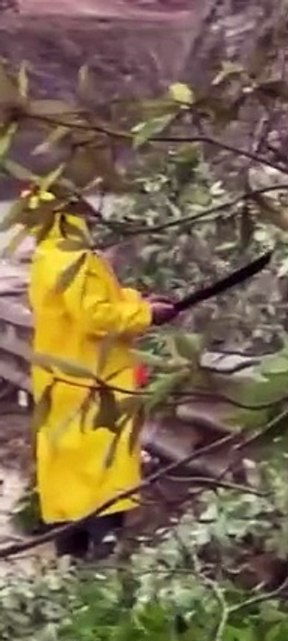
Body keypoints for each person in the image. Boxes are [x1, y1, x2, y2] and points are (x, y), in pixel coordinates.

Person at [24, 189, 178, 559]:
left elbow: (95, 301)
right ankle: (102, 548)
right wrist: (145, 315)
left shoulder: (48, 256)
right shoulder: (74, 259)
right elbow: (95, 317)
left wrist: (136, 302)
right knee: (103, 466)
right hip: (92, 379)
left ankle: (70, 553)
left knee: (68, 467)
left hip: (60, 377)